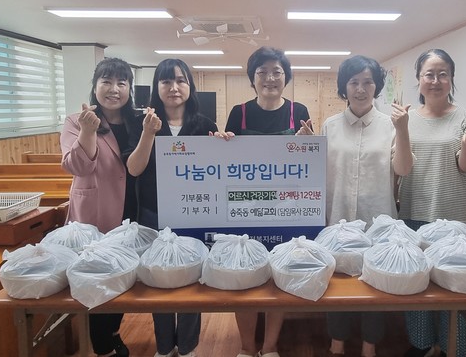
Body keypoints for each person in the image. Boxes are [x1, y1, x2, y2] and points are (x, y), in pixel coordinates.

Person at [299, 55, 413, 357]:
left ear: (376, 86)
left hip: (377, 222)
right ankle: (336, 341)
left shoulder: (391, 125)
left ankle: (369, 344)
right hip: (337, 220)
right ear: (344, 87)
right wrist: (309, 145)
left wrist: (402, 130)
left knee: (374, 283)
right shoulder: (330, 125)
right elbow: (321, 170)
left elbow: (402, 169)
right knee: (338, 282)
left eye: (367, 82)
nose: (360, 89)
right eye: (353, 82)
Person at [397, 49, 466, 357]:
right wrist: (400, 128)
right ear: (418, 80)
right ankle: (422, 345)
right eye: (429, 74)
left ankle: (457, 349)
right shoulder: (406, 119)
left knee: (455, 290)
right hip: (414, 213)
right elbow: (401, 168)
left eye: (443, 74)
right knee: (417, 286)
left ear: (451, 79)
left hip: (457, 219)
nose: (436, 81)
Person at [222, 46, 310, 357]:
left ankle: (270, 346)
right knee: (243, 277)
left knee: (279, 278)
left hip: (287, 210)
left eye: (276, 72)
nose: (270, 78)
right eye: (262, 72)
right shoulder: (239, 112)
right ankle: (247, 347)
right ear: (252, 78)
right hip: (244, 210)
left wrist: (310, 145)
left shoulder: (298, 111)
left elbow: (309, 162)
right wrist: (222, 145)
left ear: (286, 77)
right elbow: (224, 164)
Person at [127, 59, 218, 357]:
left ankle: (189, 346)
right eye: (166, 81)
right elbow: (134, 169)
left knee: (192, 279)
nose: (174, 87)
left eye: (180, 81)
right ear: (156, 88)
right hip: (153, 213)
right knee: (158, 279)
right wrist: (148, 134)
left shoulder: (205, 125)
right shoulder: (142, 124)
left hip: (194, 212)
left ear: (190, 86)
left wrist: (225, 145)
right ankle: (164, 347)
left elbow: (218, 169)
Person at [60, 57, 136, 357]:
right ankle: (102, 345)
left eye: (121, 82)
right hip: (95, 213)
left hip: (131, 211)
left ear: (130, 88)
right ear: (95, 87)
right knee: (96, 279)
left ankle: (113, 332)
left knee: (121, 277)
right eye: (106, 82)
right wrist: (88, 131)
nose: (114, 89)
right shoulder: (75, 121)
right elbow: (75, 165)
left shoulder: (136, 121)